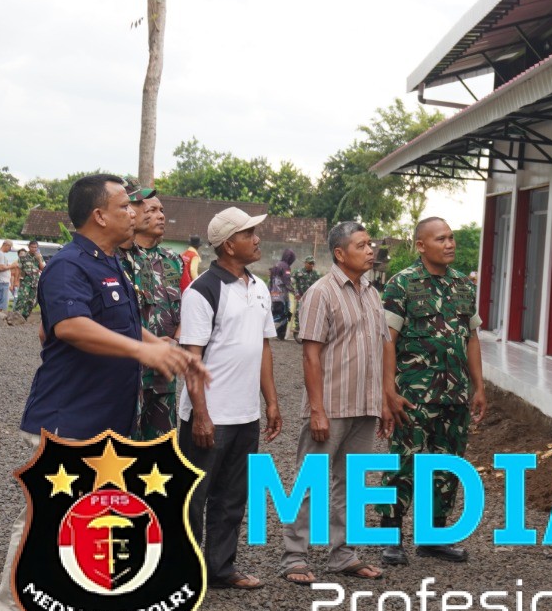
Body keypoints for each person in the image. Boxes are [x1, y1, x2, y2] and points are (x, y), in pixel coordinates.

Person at [0, 174, 204, 611]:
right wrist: (141, 351)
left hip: (107, 421)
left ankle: (72, 610)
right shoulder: (68, 266)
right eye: (125, 205)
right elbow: (70, 326)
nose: (135, 212)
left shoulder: (110, 263)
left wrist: (164, 347)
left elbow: (126, 325)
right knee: (42, 523)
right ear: (99, 215)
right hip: (69, 417)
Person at [178, 207, 283, 591]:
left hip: (245, 415)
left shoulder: (258, 286)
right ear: (227, 244)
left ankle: (220, 569)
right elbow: (192, 358)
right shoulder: (202, 290)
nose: (257, 239)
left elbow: (263, 348)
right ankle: (185, 576)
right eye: (248, 234)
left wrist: (271, 402)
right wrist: (201, 415)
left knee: (233, 497)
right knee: (194, 497)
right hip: (210, 414)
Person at [280, 222, 388, 585]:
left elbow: (379, 349)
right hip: (331, 405)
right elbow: (310, 355)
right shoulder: (320, 293)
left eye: (370, 243)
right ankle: (294, 557)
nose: (370, 250)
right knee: (310, 481)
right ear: (340, 254)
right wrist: (316, 410)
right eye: (361, 245)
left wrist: (383, 400)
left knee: (352, 483)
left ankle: (343, 554)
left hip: (364, 405)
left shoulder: (372, 293)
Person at [378, 217, 485, 566]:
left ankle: (432, 538)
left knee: (446, 465)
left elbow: (472, 338)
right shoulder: (402, 284)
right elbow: (387, 341)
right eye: (441, 239)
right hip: (413, 395)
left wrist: (479, 386)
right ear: (421, 246)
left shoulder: (464, 285)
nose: (450, 244)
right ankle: (390, 538)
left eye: (451, 237)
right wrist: (388, 390)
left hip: (455, 395)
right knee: (403, 462)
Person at [119, 187, 185, 439]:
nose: (161, 216)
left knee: (160, 448)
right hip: (129, 372)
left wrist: (176, 341)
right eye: (152, 210)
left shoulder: (173, 260)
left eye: (161, 210)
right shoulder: (116, 259)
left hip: (162, 373)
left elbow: (187, 306)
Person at [9, 241, 45, 319]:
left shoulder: (39, 256)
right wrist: (16, 281)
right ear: (29, 247)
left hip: (35, 282)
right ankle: (15, 315)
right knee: (21, 298)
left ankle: (24, 316)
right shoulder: (23, 257)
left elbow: (43, 269)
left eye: (35, 247)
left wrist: (39, 259)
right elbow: (18, 269)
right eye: (32, 247)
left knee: (31, 301)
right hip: (25, 282)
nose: (34, 249)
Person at [291, 254, 319, 337]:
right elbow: (291, 283)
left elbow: (319, 285)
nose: (311, 265)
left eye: (312, 263)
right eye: (310, 263)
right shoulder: (298, 272)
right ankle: (298, 328)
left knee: (311, 313)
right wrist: (295, 293)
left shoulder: (316, 274)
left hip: (311, 297)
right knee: (298, 312)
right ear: (305, 263)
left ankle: (309, 329)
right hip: (301, 296)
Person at [0, 240, 14, 311]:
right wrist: (12, 266)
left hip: (0, 281)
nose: (10, 250)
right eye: (10, 247)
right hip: (2, 282)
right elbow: (1, 268)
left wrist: (8, 266)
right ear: (6, 245)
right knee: (1, 304)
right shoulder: (0, 254)